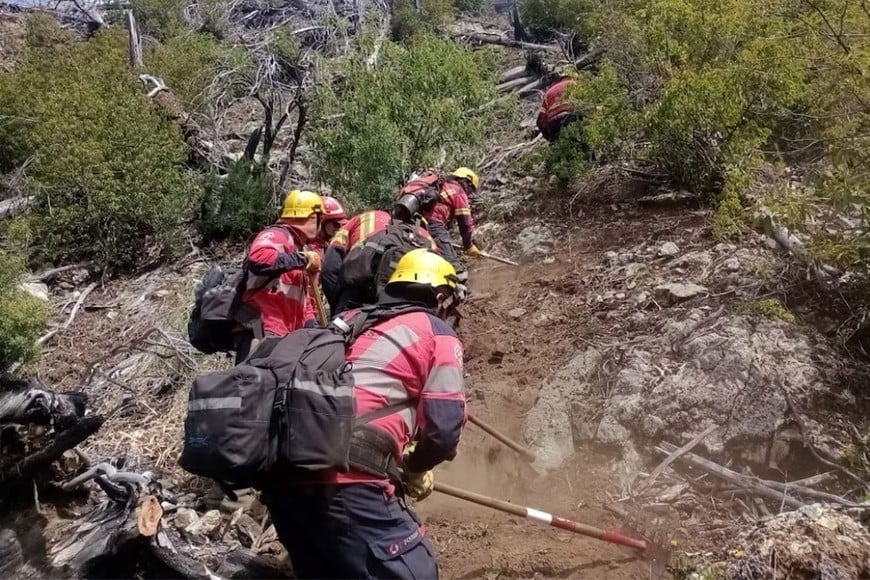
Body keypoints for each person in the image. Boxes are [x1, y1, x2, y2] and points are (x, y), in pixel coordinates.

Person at [262, 248, 467, 579]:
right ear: (440, 295)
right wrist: (416, 467)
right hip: (346, 481)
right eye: (451, 303)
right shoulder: (436, 331)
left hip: (282, 477)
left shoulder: (353, 320)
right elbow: (443, 430)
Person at [234, 189, 322, 361]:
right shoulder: (278, 235)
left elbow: (303, 305)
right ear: (313, 217)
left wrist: (314, 329)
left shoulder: (297, 249)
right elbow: (259, 260)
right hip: (263, 330)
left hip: (284, 337)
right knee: (252, 386)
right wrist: (302, 259)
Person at [320, 209, 436, 315]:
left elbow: (329, 269)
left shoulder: (365, 218)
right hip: (408, 297)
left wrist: (337, 308)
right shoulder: (426, 237)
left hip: (359, 282)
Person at [395, 167, 481, 260]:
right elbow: (465, 223)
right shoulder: (458, 191)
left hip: (411, 221)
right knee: (450, 263)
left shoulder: (439, 185)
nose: (469, 194)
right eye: (471, 190)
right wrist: (468, 246)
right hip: (432, 224)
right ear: (467, 182)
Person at [303, 195, 348, 327]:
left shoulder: (326, 246)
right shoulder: (311, 249)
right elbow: (311, 287)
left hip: (317, 309)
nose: (337, 228)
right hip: (309, 313)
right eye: (335, 223)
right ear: (321, 222)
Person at [536, 76, 579, 142]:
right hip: (574, 117)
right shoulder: (576, 84)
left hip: (555, 123)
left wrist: (549, 138)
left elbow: (540, 121)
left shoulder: (548, 93)